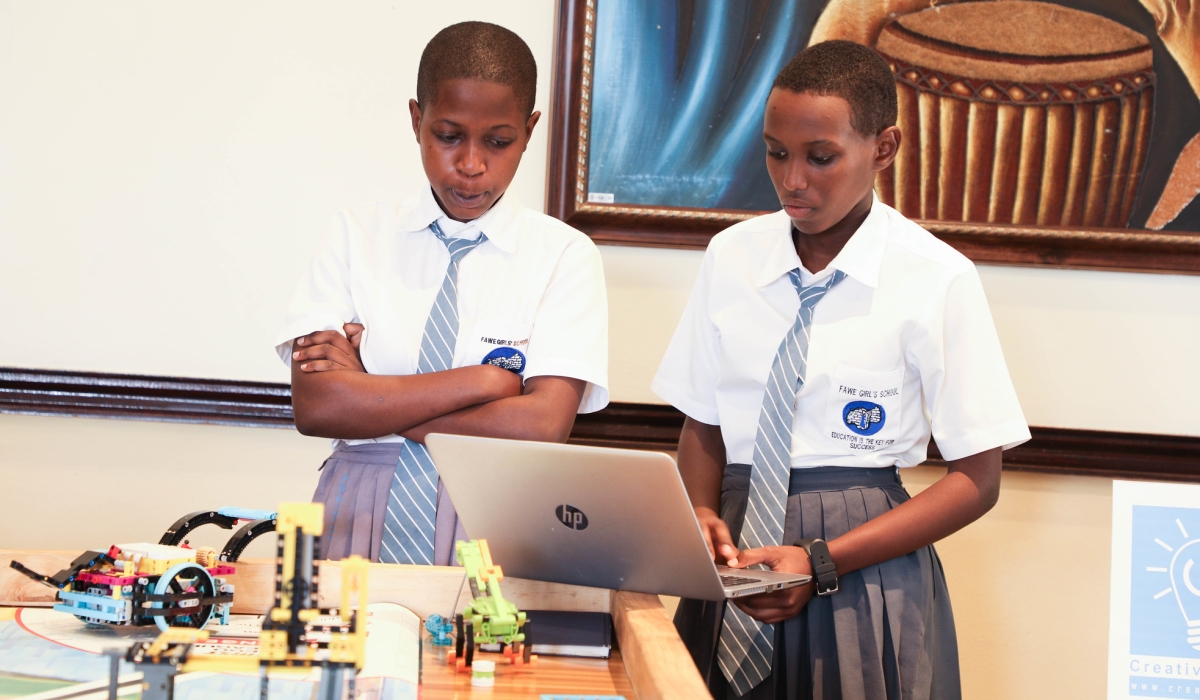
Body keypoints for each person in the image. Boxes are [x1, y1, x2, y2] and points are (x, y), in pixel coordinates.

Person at [651, 40, 1030, 699]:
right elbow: (704, 427)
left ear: (884, 147)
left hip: (865, 580)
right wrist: (701, 512)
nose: (793, 179)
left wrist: (821, 561)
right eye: (776, 152)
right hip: (738, 570)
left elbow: (978, 479)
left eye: (820, 157)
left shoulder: (935, 278)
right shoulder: (731, 257)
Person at [274, 21, 608, 565]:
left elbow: (540, 426)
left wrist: (372, 395)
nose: (472, 165)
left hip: (496, 515)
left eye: (499, 142)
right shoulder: (355, 235)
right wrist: (483, 382)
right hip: (356, 507)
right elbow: (317, 406)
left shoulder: (564, 256)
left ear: (529, 130)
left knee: (480, 649)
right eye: (449, 135)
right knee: (342, 648)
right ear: (416, 120)